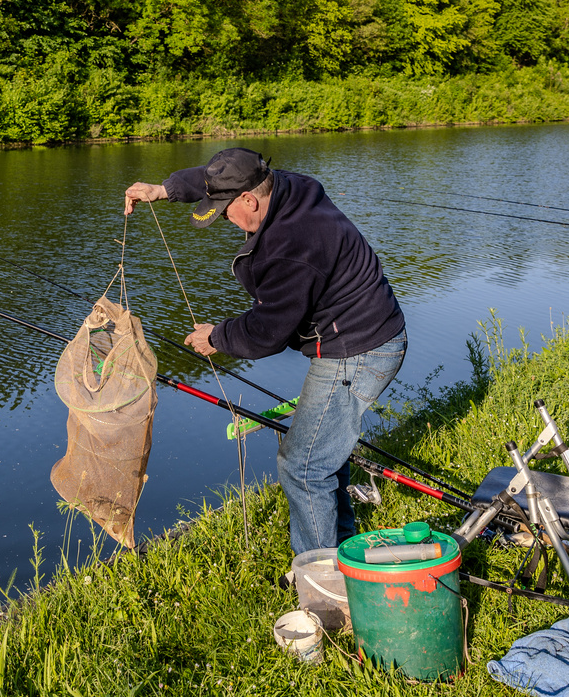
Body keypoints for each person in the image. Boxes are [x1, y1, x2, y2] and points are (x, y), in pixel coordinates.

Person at [123, 148, 406, 555]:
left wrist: (217, 337)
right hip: (362, 334)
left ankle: (319, 576)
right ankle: (340, 547)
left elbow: (269, 330)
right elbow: (215, 175)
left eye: (224, 210)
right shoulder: (285, 185)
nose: (223, 218)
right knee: (322, 454)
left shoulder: (293, 245)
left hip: (359, 350)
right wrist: (163, 190)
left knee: (303, 465)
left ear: (249, 200)